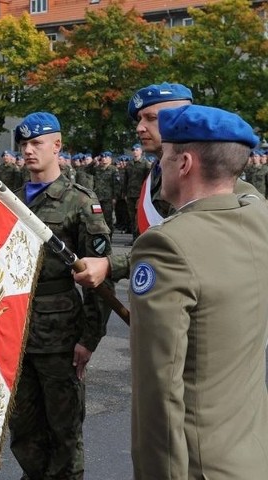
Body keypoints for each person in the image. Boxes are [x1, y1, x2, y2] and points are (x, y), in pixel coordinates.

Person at [129, 104, 268, 479]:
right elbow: (241, 188)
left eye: (166, 157)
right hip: (250, 455)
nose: (159, 167)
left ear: (185, 164)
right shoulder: (258, 217)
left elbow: (158, 392)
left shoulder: (166, 246)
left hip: (198, 466)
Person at [8, 112, 113, 480]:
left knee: (64, 431)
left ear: (57, 146)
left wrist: (89, 338)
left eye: (37, 143)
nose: (28, 150)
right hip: (15, 331)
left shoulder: (80, 202)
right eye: (23, 144)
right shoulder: (13, 200)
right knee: (22, 428)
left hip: (59, 335)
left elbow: (99, 279)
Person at [73, 82, 260, 288]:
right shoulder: (155, 176)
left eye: (151, 118)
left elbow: (193, 246)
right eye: (139, 119)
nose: (139, 127)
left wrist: (112, 265)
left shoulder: (219, 185)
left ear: (181, 118)